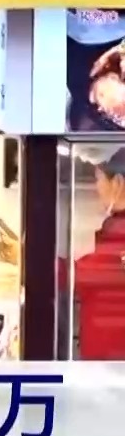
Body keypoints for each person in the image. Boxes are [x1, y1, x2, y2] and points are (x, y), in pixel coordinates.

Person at [74, 148, 125, 357]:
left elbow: (82, 275)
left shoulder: (120, 234)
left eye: (99, 179)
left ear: (118, 183)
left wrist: (30, 260)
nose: (97, 188)